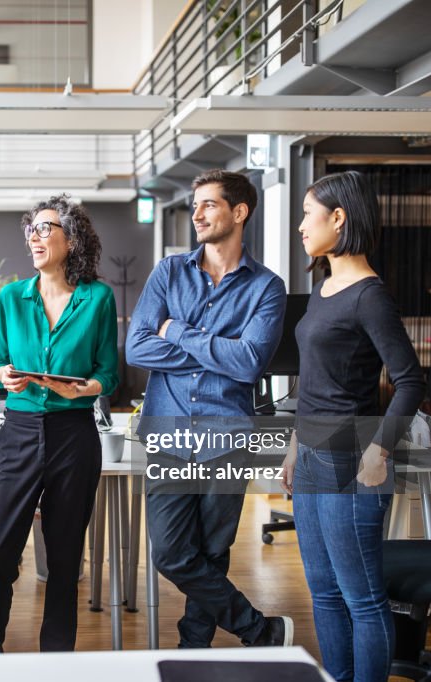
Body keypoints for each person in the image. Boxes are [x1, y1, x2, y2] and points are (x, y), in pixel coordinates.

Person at [126, 169, 291, 649]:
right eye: (195, 205)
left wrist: (176, 331)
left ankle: (192, 650)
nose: (196, 214)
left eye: (209, 205)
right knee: (172, 554)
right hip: (170, 434)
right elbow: (136, 349)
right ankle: (260, 630)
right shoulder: (169, 272)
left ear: (239, 213)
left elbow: (249, 363)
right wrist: (219, 349)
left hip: (227, 436)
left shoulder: (266, 288)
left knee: (213, 553)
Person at [283, 170, 424, 682]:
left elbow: (410, 381)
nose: (301, 225)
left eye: (307, 214)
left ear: (338, 218)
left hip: (353, 457)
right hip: (315, 454)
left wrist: (379, 452)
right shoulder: (323, 289)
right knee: (322, 590)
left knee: (361, 597)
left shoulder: (369, 296)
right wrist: (296, 447)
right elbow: (314, 384)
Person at [0, 195, 118, 652]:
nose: (35, 238)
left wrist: (86, 389)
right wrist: (3, 375)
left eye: (45, 228)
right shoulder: (11, 297)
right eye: (31, 230)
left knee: (63, 559)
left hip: (73, 435)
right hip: (19, 431)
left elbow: (107, 372)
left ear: (71, 238)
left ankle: (57, 658)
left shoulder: (97, 298)